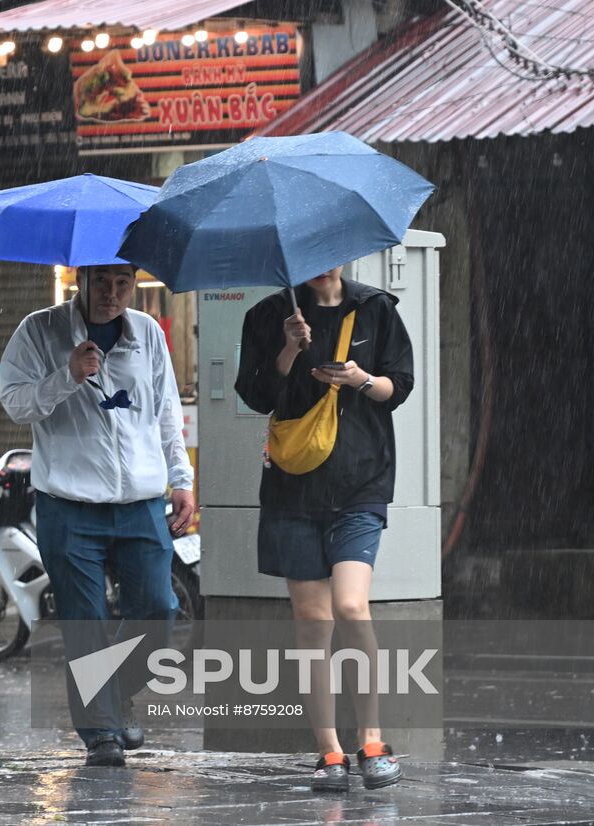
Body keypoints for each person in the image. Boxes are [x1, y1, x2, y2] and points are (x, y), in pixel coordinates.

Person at [0, 262, 194, 767]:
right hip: (69, 505)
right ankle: (102, 733)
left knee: (159, 609)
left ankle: (113, 694)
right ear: (80, 281)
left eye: (122, 284)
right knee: (86, 621)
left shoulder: (147, 332)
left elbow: (166, 410)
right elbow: (16, 404)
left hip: (141, 503)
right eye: (101, 283)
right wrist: (66, 375)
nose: (111, 294)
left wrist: (182, 478)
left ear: (132, 283)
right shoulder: (39, 330)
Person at [233, 264, 413, 792]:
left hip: (361, 481)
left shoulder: (376, 308)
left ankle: (373, 739)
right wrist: (288, 351)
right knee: (312, 621)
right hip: (293, 487)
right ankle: (329, 751)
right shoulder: (269, 315)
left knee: (351, 607)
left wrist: (360, 379)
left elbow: (397, 387)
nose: (324, 262)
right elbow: (256, 395)